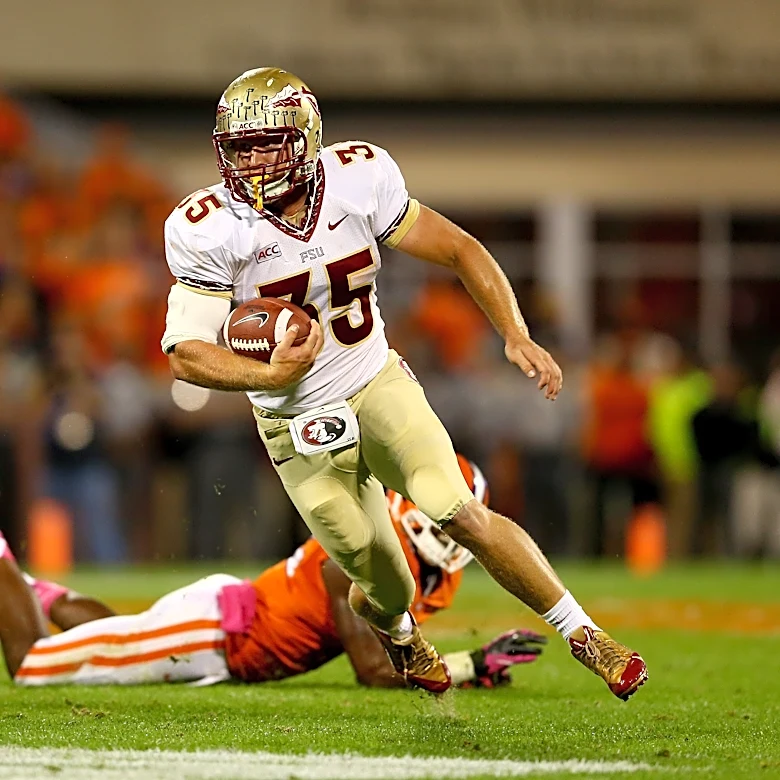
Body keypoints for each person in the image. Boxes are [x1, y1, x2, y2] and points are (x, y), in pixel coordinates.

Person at [161, 67, 647, 699]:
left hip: (373, 378)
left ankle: (587, 635)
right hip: (292, 420)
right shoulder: (207, 223)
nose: (253, 161)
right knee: (386, 580)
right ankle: (392, 622)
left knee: (457, 508)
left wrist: (515, 332)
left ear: (306, 136)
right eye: (240, 146)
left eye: (269, 142)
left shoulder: (359, 177)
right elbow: (185, 355)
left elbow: (460, 249)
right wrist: (265, 373)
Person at [0, 458, 546, 688]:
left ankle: (26, 591)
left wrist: (461, 670)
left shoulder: (428, 572)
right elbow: (374, 670)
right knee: (33, 664)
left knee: (110, 637)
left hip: (218, 626)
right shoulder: (367, 555)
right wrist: (470, 665)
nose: (459, 532)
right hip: (217, 634)